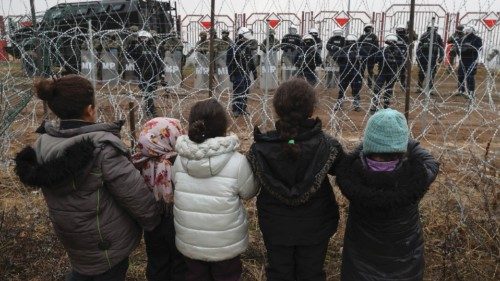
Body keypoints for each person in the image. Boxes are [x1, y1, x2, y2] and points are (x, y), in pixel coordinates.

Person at [14, 75, 161, 281]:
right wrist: (154, 222)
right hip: (107, 241)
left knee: (84, 270)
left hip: (73, 238)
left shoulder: (43, 144)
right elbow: (135, 195)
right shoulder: (102, 149)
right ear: (90, 109)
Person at [247, 78, 343, 281]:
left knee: (279, 273)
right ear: (310, 109)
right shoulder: (326, 145)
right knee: (312, 273)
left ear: (277, 109)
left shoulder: (260, 148)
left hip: (275, 225)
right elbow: (346, 173)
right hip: (316, 225)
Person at [335, 108, 439, 281]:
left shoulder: (352, 175)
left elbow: (346, 162)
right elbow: (432, 163)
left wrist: (365, 144)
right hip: (406, 267)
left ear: (369, 143)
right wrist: (407, 142)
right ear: (401, 145)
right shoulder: (414, 178)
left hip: (359, 269)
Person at [172, 99, 257, 281]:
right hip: (226, 245)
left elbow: (174, 184)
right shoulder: (237, 162)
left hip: (190, 242)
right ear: (223, 126)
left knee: (195, 275)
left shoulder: (179, 160)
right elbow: (249, 192)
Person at [132, 117, 187, 281]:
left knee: (157, 261)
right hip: (178, 221)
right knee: (180, 263)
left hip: (151, 221)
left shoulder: (138, 161)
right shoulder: (182, 162)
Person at [128, 30, 163, 118]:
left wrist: (162, 74)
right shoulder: (137, 49)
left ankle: (148, 108)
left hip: (153, 74)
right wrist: (132, 44)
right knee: (148, 92)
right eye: (141, 38)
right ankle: (151, 110)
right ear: (139, 39)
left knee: (149, 92)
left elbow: (159, 62)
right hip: (142, 74)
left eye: (145, 38)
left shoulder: (154, 48)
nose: (143, 40)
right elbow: (129, 55)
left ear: (149, 38)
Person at [226, 27, 257, 117]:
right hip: (237, 73)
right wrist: (231, 74)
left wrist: (254, 71)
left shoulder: (246, 47)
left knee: (245, 91)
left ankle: (242, 108)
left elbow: (250, 60)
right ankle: (236, 109)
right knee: (238, 92)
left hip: (246, 72)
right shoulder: (233, 47)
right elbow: (229, 62)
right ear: (240, 36)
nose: (247, 39)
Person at [370, 33, 405, 113]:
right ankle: (375, 104)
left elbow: (401, 62)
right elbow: (375, 59)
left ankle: (386, 106)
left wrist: (394, 61)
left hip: (392, 73)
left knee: (388, 90)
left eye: (393, 42)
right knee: (377, 88)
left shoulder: (398, 52)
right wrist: (382, 57)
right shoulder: (382, 50)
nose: (391, 44)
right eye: (390, 42)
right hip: (382, 72)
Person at [333, 34, 364, 111]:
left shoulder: (359, 50)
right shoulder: (343, 50)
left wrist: (361, 58)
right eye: (349, 42)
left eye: (352, 42)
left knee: (356, 89)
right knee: (342, 89)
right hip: (345, 72)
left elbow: (367, 58)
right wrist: (343, 61)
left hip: (355, 73)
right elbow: (335, 56)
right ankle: (339, 104)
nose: (350, 44)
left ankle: (356, 105)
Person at [456, 25, 483, 101]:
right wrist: (460, 51)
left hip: (471, 60)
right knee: (460, 75)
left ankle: (471, 92)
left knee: (470, 76)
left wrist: (468, 48)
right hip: (463, 59)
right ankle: (461, 90)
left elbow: (478, 48)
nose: (466, 31)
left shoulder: (477, 39)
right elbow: (457, 47)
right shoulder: (462, 39)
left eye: (468, 30)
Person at [416, 25, 444, 93]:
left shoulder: (437, 36)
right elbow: (419, 46)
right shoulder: (425, 35)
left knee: (429, 72)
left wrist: (441, 56)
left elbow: (441, 47)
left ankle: (426, 87)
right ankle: (423, 87)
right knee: (425, 72)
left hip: (430, 56)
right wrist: (418, 56)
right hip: (427, 56)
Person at [358, 23, 379, 90]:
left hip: (368, 56)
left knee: (367, 70)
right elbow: (358, 45)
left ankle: (366, 84)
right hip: (368, 56)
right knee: (364, 70)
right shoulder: (365, 36)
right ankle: (364, 83)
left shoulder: (372, 36)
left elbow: (376, 47)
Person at [395, 24, 411, 90]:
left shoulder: (407, 38)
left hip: (403, 56)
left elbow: (409, 46)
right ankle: (391, 84)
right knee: (394, 70)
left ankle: (402, 84)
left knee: (403, 71)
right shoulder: (395, 37)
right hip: (395, 56)